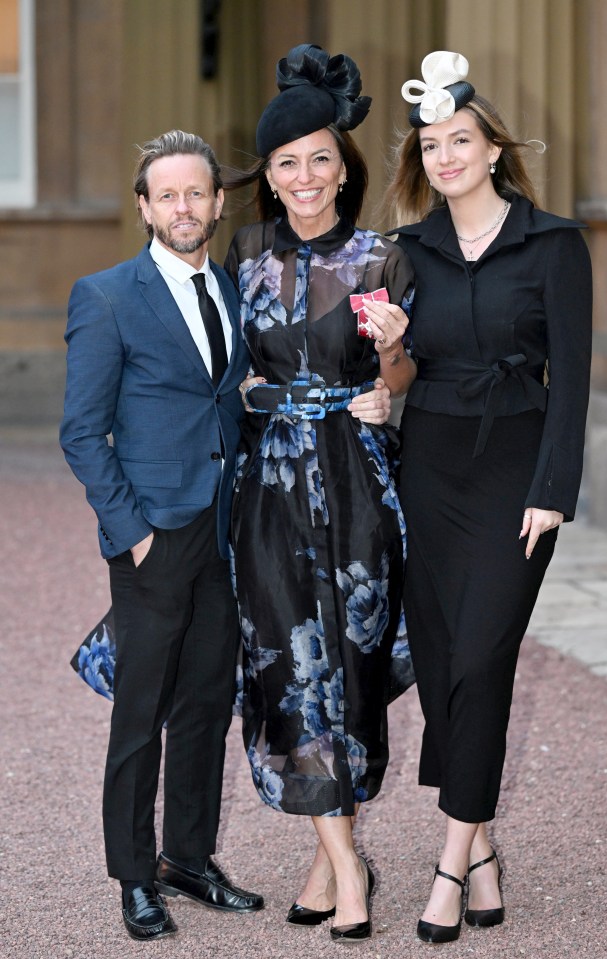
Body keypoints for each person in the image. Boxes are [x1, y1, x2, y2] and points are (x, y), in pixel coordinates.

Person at [366, 52, 592, 944]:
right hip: (430, 468)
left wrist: (552, 490)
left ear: (492, 148)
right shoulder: (411, 248)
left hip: (513, 474)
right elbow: (401, 370)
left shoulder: (553, 244)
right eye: (430, 145)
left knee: (481, 661)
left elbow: (569, 379)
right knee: (441, 664)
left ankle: (448, 865)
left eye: (460, 139)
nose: (445, 156)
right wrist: (388, 352)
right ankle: (486, 851)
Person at [223, 44, 414, 943]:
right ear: (269, 175)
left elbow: (408, 368)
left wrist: (387, 372)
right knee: (291, 669)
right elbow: (227, 374)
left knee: (350, 669)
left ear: (345, 166)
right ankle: (349, 868)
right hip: (269, 487)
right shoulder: (246, 252)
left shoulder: (383, 257)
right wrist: (256, 395)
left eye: (319, 159)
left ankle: (328, 856)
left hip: (356, 482)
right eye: (286, 162)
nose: (305, 177)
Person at [60, 130, 265, 942]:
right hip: (154, 533)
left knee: (208, 704)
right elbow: (81, 432)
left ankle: (189, 856)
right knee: (139, 713)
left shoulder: (235, 288)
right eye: (167, 194)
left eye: (196, 192)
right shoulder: (106, 294)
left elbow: (232, 396)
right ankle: (134, 876)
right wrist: (130, 530)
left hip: (225, 527)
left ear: (217, 202)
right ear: (144, 207)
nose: (184, 207)